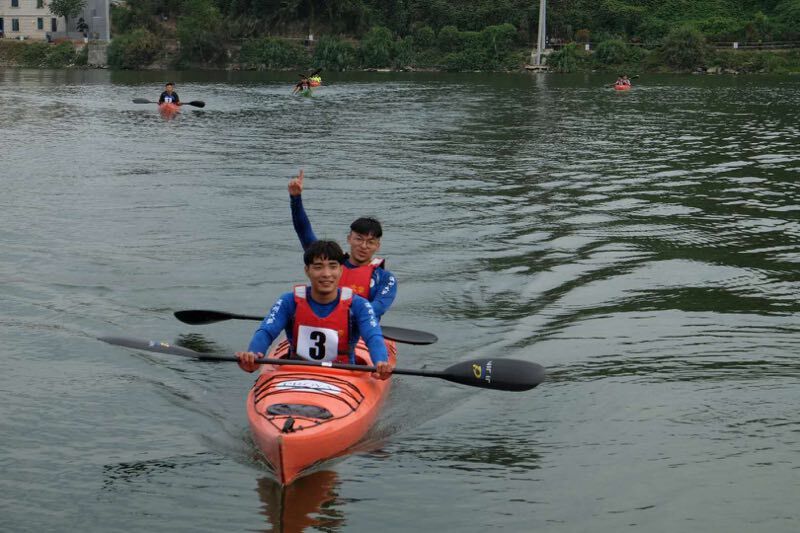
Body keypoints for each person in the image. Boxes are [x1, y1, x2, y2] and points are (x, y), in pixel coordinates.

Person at [236, 240, 392, 379]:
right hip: (295, 371)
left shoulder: (359, 305)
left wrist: (381, 362)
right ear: (307, 271)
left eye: (333, 267)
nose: (326, 274)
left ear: (341, 270)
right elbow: (267, 331)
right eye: (318, 267)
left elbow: (373, 337)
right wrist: (253, 354)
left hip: (343, 374)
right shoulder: (289, 301)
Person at [288, 170, 397, 319]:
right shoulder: (330, 262)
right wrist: (296, 198)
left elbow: (379, 306)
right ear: (349, 239)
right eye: (359, 239)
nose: (363, 246)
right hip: (320, 324)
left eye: (370, 242)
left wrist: (342, 315)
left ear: (377, 246)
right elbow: (303, 231)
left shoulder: (384, 278)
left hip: (359, 328)